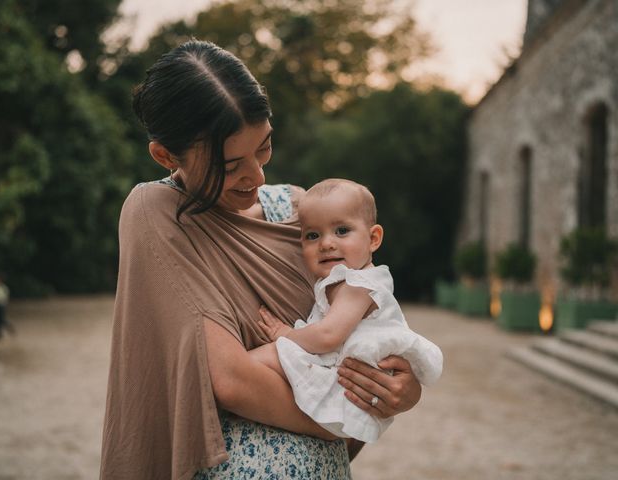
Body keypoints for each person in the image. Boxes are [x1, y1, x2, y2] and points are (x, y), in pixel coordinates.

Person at [101, 39, 422, 480]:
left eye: (264, 147)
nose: (257, 175)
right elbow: (232, 380)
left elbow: (360, 339)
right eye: (230, 165)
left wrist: (396, 390)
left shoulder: (300, 213)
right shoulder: (158, 212)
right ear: (165, 154)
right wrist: (349, 416)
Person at [250, 179, 443, 443]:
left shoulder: (359, 284)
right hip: (345, 376)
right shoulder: (342, 280)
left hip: (349, 384)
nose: (326, 243)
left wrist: (284, 334)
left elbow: (329, 336)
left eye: (341, 230)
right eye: (312, 235)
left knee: (263, 358)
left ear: (373, 238)